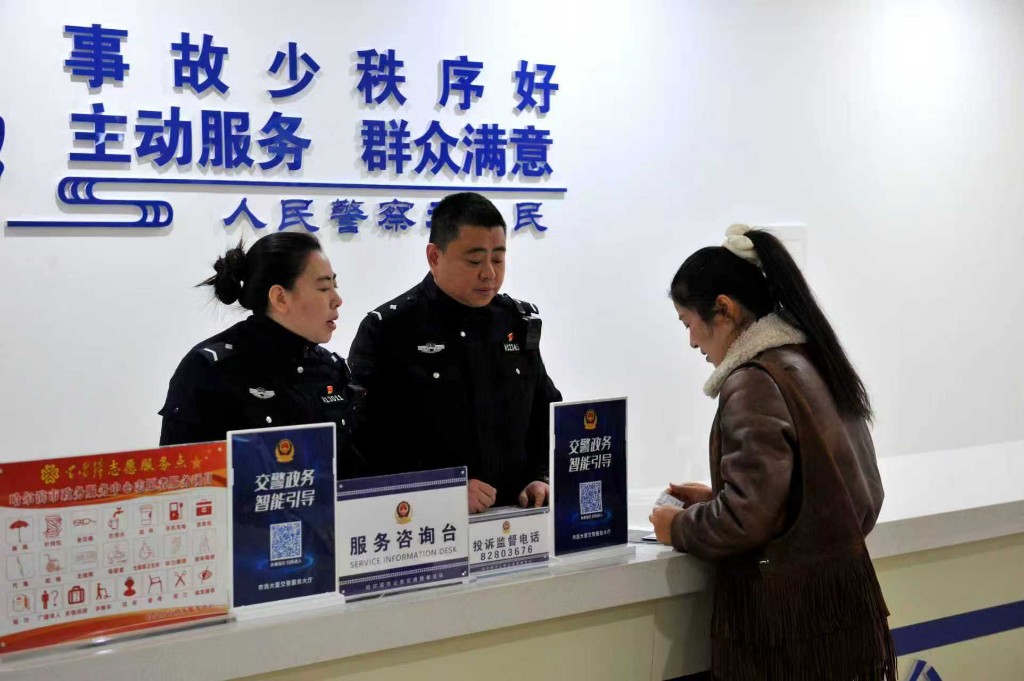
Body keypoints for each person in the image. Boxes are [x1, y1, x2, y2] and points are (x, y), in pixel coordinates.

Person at [650, 225, 895, 680]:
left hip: (786, 631)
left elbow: (747, 520)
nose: (692, 342)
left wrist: (678, 527)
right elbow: (853, 492)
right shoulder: (814, 359)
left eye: (688, 324)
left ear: (724, 309)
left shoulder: (753, 381)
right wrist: (718, 497)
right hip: (843, 611)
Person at [348, 192, 561, 512]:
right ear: (434, 256)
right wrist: (441, 487)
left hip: (516, 518)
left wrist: (540, 475)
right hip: (425, 522)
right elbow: (365, 440)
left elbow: (545, 411)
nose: (489, 273)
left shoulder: (515, 320)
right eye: (474, 261)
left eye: (498, 259)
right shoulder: (389, 329)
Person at [159, 232, 361, 474]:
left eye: (334, 286)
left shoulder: (330, 369)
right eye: (324, 288)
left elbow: (353, 474)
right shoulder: (208, 370)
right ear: (280, 297)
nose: (337, 300)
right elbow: (180, 480)